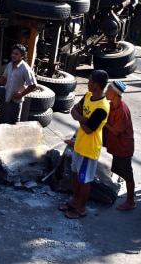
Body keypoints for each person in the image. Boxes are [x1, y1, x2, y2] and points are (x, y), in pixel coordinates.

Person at [59, 69, 109, 219]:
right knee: (75, 175)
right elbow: (73, 111)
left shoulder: (102, 107)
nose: (88, 83)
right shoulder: (88, 96)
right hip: (79, 144)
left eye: (91, 81)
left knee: (84, 180)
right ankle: (75, 201)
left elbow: (88, 129)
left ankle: (81, 209)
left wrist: (80, 118)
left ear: (98, 85)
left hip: (89, 148)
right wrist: (84, 119)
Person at [0, 44, 37, 124]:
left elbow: (33, 85)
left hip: (15, 98)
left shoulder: (25, 68)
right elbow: (3, 79)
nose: (13, 55)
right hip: (6, 91)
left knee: (13, 123)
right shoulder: (10, 65)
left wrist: (20, 95)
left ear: (22, 56)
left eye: (16, 54)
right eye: (12, 53)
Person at [103, 80, 136, 211]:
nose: (106, 92)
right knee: (118, 170)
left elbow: (116, 131)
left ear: (115, 93)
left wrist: (104, 123)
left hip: (123, 146)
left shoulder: (122, 109)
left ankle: (130, 201)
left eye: (108, 90)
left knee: (127, 174)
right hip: (115, 144)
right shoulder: (112, 104)